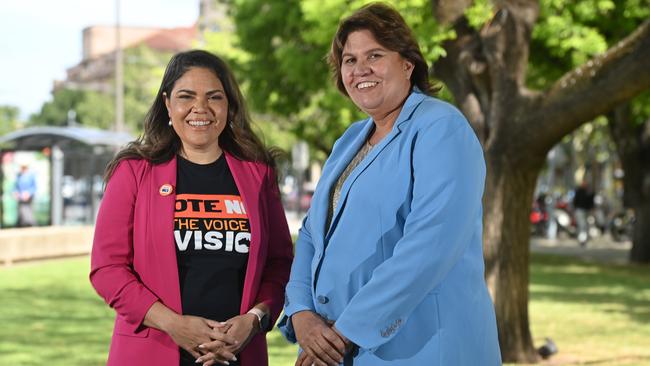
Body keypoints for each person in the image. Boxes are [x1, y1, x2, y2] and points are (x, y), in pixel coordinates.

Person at [278, 3, 501, 365]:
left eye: (375, 55)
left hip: (422, 350)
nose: (359, 69)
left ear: (407, 64)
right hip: (339, 348)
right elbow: (310, 235)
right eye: (349, 60)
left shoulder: (441, 128)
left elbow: (428, 247)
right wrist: (302, 314)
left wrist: (343, 334)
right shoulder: (349, 140)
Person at [90, 50, 294, 366]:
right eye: (187, 96)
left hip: (238, 354)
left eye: (214, 97)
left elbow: (279, 264)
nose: (201, 108)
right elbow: (108, 269)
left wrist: (253, 320)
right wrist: (174, 325)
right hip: (152, 353)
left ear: (229, 107)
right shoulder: (134, 172)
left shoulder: (258, 175)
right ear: (167, 104)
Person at [13, 163, 37, 227]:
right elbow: (15, 187)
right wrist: (16, 193)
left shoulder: (31, 176)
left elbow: (34, 187)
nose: (23, 169)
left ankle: (31, 224)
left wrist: (28, 193)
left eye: (24, 167)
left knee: (28, 211)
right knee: (21, 211)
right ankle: (21, 225)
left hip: (29, 197)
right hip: (21, 197)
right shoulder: (18, 176)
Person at [573, 180, 595, 246]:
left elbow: (591, 201)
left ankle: (584, 239)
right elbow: (575, 201)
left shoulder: (589, 192)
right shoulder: (579, 191)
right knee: (582, 225)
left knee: (586, 225)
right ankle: (582, 239)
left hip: (586, 210)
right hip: (579, 210)